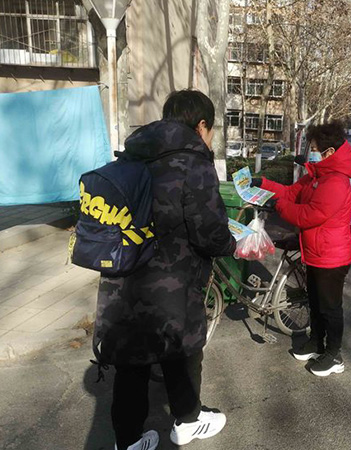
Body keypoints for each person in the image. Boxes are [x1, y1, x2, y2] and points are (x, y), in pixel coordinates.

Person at [92, 90, 236, 450]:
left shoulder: (131, 156)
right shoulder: (193, 164)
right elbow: (210, 233)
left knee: (132, 360)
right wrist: (234, 244)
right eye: (211, 129)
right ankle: (188, 420)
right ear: (201, 126)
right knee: (182, 350)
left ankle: (128, 440)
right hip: (173, 284)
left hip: (124, 279)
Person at [253, 121, 351, 377]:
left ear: (329, 152)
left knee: (330, 308)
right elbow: (290, 193)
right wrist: (262, 183)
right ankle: (316, 343)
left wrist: (279, 206)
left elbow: (309, 215)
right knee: (315, 303)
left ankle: (334, 355)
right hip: (314, 254)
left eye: (313, 149)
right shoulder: (316, 177)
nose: (310, 153)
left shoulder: (336, 182)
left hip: (331, 258)